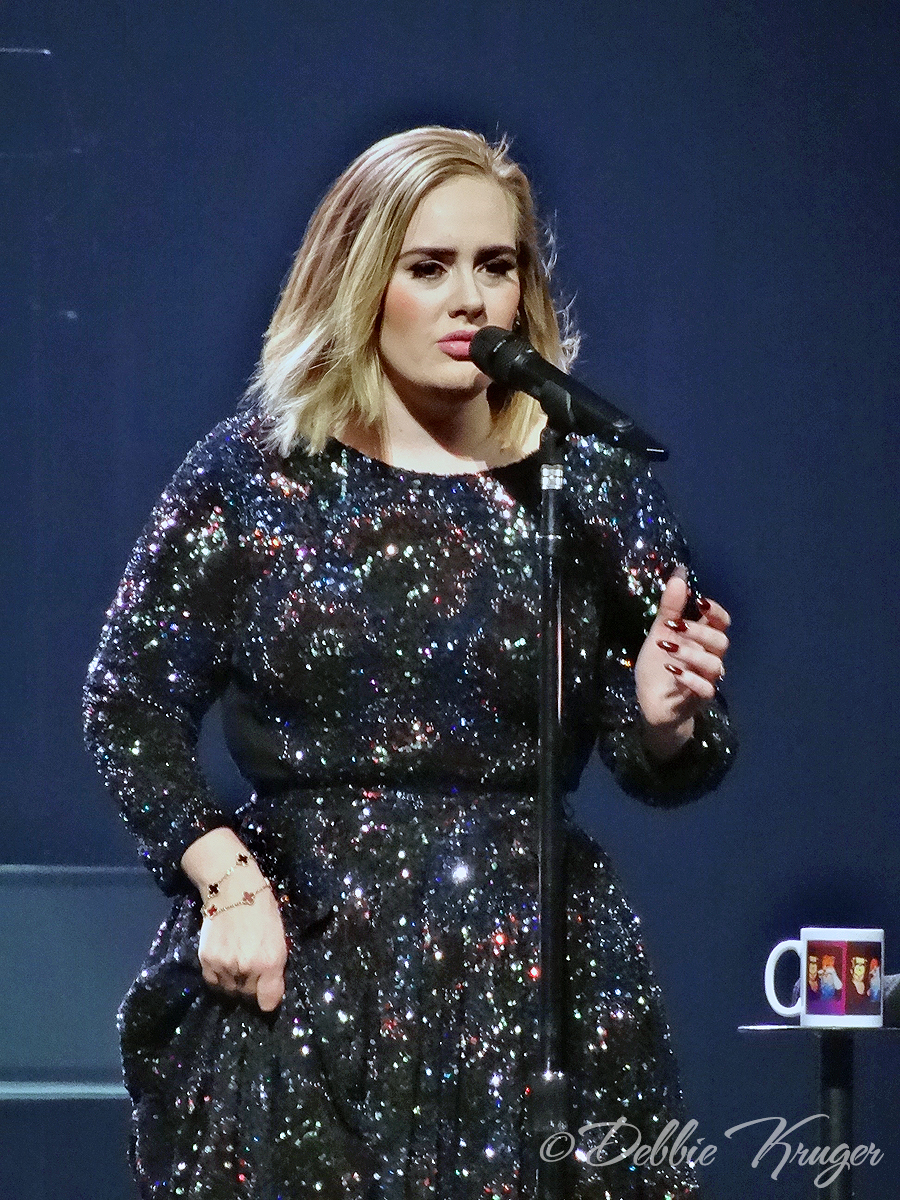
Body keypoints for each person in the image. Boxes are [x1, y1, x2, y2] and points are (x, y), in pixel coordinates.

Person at [84, 126, 736, 1199]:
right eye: (429, 267)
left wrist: (665, 719)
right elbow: (128, 703)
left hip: (534, 979)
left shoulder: (585, 485)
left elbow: (661, 745)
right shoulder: (260, 475)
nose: (469, 299)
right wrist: (226, 885)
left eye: (496, 265)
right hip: (307, 963)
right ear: (359, 280)